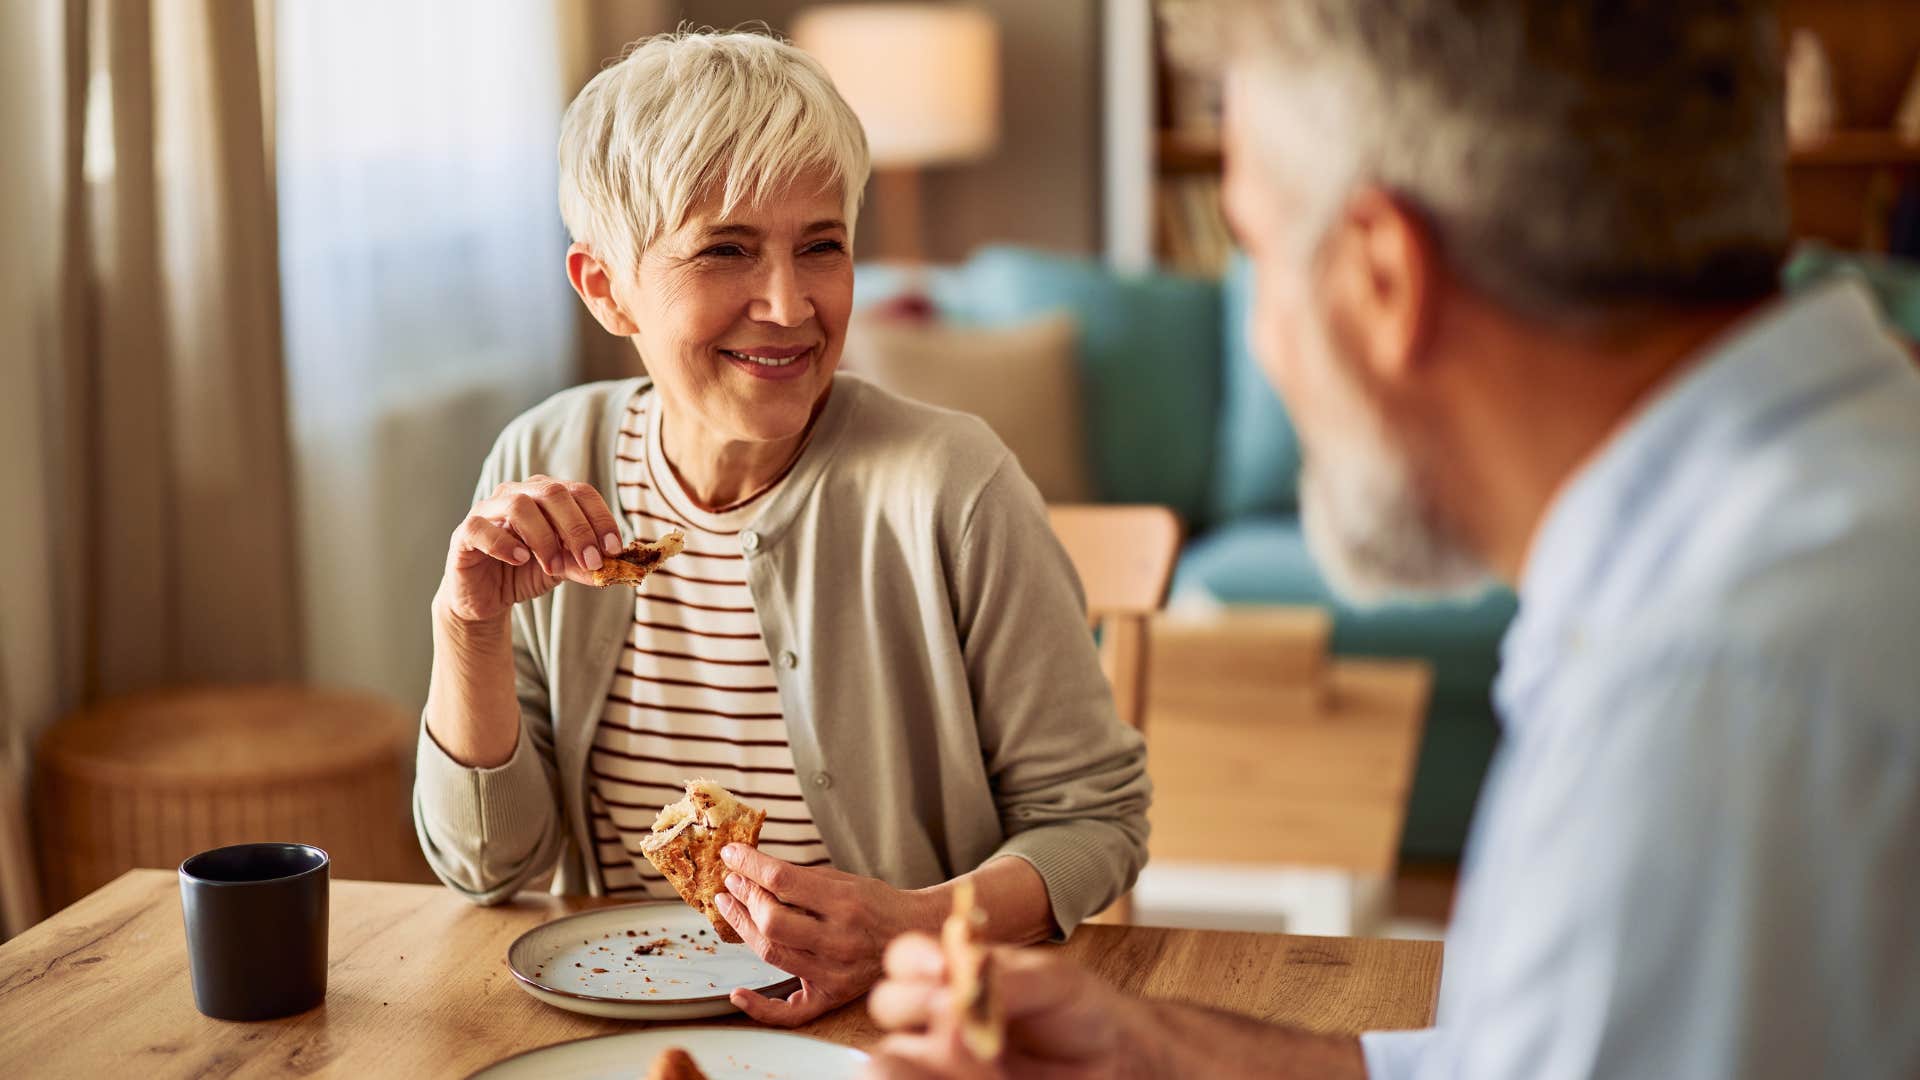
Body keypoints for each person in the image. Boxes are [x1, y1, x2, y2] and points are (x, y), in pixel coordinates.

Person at [865, 2, 1920, 1076]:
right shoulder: (1832, 492)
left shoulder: (1707, 698)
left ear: (1383, 279)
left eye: (1260, 252)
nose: (1266, 341)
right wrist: (1162, 1054)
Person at [412, 30, 1150, 1028]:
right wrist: (467, 626)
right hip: (614, 1021)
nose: (789, 304)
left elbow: (1094, 823)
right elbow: (487, 868)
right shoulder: (549, 456)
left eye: (822, 246)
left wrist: (913, 924)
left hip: (896, 1032)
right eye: (726, 250)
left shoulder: (951, 485)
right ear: (605, 286)